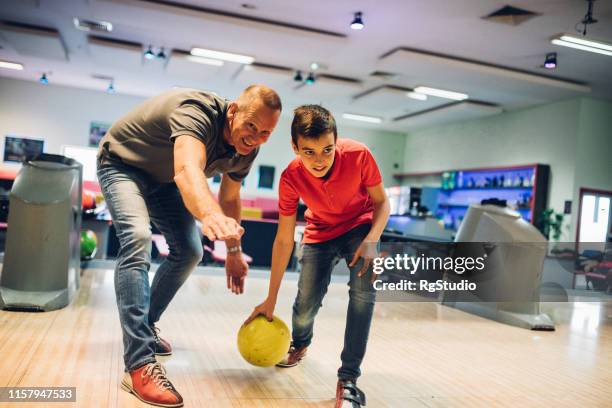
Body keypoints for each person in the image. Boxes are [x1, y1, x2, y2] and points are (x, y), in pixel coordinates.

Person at [97, 85, 281, 407]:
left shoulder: (247, 149)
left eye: (266, 132)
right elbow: (187, 169)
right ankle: (138, 365)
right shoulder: (196, 111)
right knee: (138, 239)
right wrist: (208, 214)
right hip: (123, 166)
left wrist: (233, 251)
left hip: (163, 182)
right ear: (234, 110)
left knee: (191, 251)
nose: (255, 137)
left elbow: (230, 196)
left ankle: (145, 325)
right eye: (251, 125)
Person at [246, 105, 390, 408]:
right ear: (295, 147)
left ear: (336, 141)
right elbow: (284, 239)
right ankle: (300, 342)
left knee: (364, 292)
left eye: (327, 149)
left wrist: (373, 240)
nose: (320, 160)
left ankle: (348, 379)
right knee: (304, 306)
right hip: (319, 233)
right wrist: (270, 298)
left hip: (359, 228)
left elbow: (381, 202)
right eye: (308, 152)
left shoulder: (358, 154)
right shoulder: (290, 177)